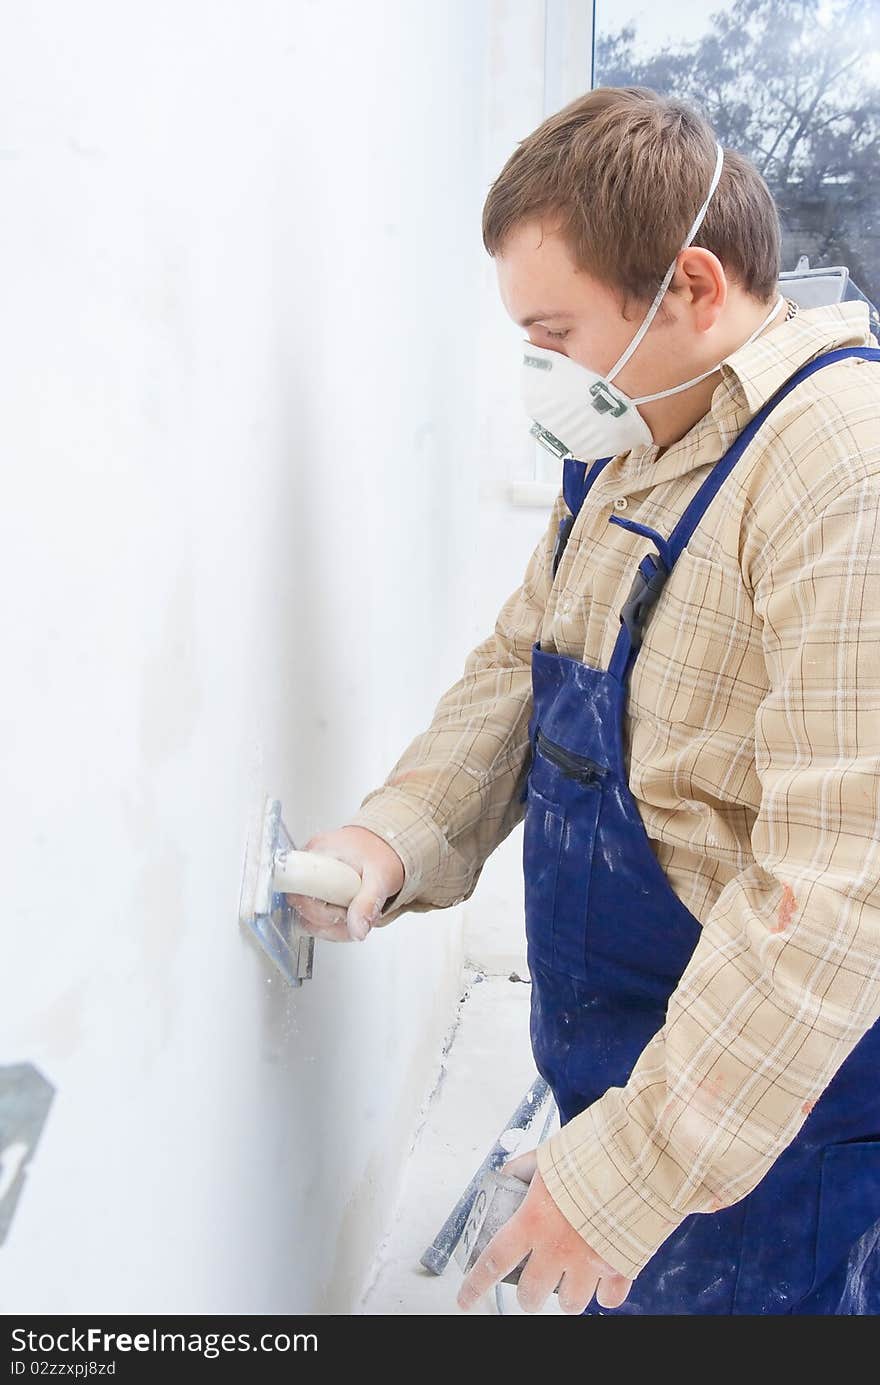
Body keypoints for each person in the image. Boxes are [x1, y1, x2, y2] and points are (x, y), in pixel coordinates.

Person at [287, 86, 880, 1315]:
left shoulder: (835, 458)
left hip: (772, 1120)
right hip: (630, 1057)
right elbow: (524, 664)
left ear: (691, 287)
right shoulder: (630, 445)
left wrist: (631, 1171)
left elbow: (840, 890)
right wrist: (397, 834)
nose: (540, 372)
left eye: (554, 332)